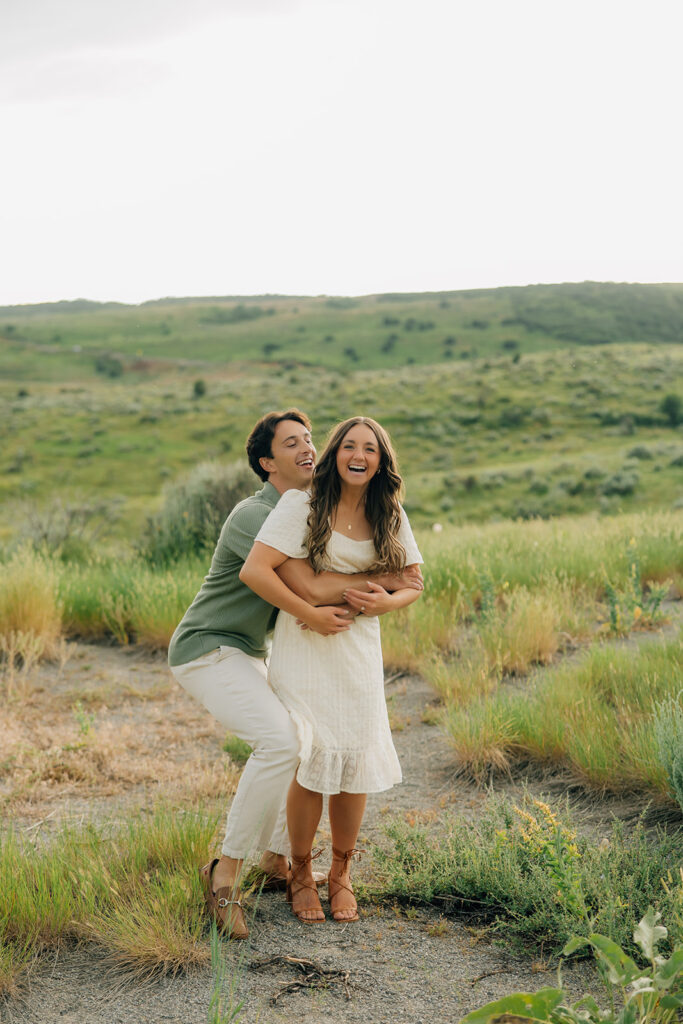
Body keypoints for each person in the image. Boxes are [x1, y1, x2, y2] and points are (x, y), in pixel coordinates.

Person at [168, 409, 422, 939]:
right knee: (286, 742)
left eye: (309, 439)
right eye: (291, 443)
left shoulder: (333, 507)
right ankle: (225, 874)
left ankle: (279, 858)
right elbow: (310, 585)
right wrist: (384, 578)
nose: (307, 448)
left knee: (306, 741)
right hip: (211, 646)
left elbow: (399, 576)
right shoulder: (259, 513)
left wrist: (395, 587)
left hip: (258, 649)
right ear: (267, 463)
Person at [240, 416, 423, 924]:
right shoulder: (301, 503)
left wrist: (389, 604)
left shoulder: (389, 510)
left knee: (354, 761)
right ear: (335, 454)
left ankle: (341, 873)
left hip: (359, 648)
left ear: (381, 460)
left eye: (369, 448)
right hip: (305, 645)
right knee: (310, 758)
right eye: (348, 446)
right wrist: (309, 612)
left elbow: (412, 581)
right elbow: (255, 569)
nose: (357, 455)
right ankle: (300, 873)